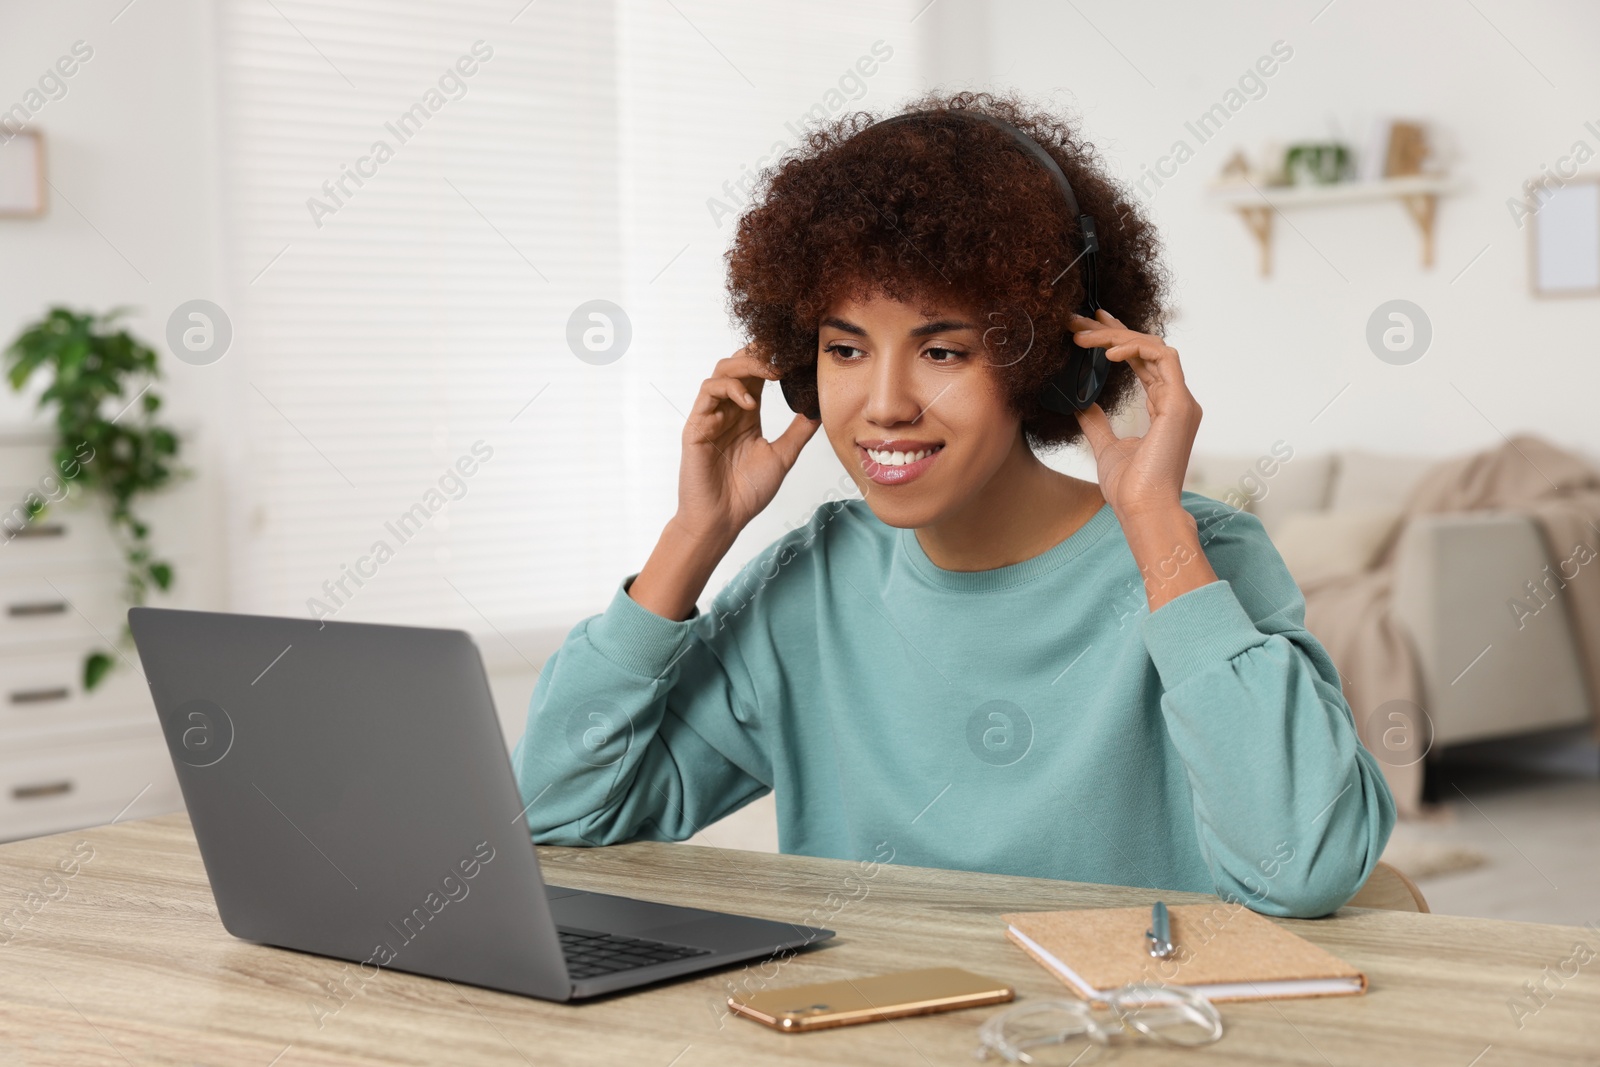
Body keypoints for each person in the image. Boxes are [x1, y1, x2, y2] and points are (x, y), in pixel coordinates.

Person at [511, 90, 1395, 918]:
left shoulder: (1202, 556)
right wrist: (693, 537)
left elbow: (1301, 866)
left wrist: (1157, 528)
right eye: (846, 350)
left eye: (941, 352)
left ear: (1049, 359)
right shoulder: (811, 585)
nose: (886, 402)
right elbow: (556, 810)